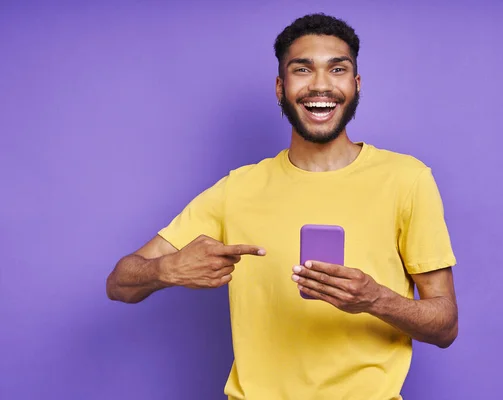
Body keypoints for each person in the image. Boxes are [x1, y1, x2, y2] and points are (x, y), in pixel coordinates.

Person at [106, 13, 458, 400]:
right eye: (302, 70)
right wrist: (166, 269)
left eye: (336, 69)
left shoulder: (407, 179)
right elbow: (119, 283)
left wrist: (376, 299)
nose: (320, 85)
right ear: (280, 87)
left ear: (355, 85)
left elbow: (445, 325)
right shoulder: (236, 188)